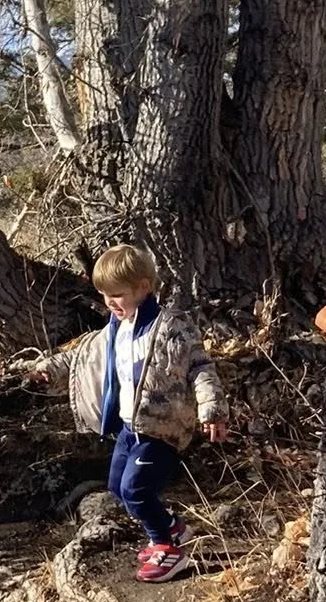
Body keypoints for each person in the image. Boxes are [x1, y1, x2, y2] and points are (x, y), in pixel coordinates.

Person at [29, 243, 228, 581]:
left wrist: (212, 409)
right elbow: (82, 356)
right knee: (118, 489)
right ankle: (171, 527)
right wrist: (48, 368)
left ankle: (168, 549)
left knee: (137, 490)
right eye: (104, 295)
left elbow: (200, 367)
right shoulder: (116, 328)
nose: (110, 302)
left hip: (163, 428)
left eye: (117, 294)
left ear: (143, 288)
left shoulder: (171, 327)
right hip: (128, 426)